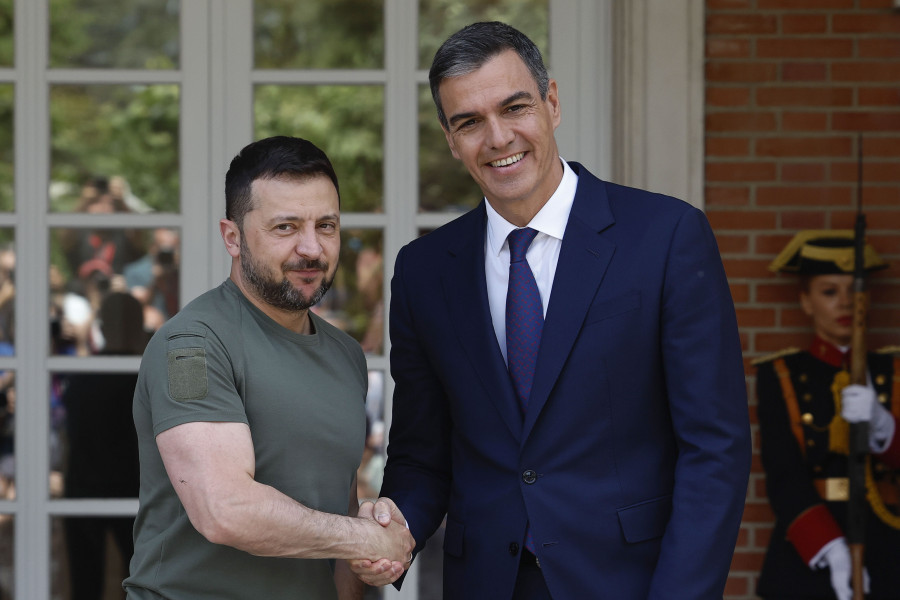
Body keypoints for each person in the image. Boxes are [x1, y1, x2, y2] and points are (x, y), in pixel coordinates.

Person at [353, 21, 751, 599]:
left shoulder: (666, 237)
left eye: (514, 108)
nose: (497, 138)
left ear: (552, 102)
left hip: (630, 584)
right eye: (469, 122)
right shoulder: (424, 271)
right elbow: (422, 454)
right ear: (449, 138)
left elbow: (715, 449)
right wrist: (397, 530)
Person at [124, 136, 414, 600]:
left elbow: (335, 504)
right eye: (285, 227)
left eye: (326, 225)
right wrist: (364, 537)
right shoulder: (191, 345)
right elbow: (225, 510)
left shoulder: (345, 355)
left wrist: (366, 553)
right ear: (232, 237)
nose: (311, 248)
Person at [755, 230, 900, 600]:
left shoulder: (894, 370)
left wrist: (884, 427)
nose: (846, 303)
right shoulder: (781, 374)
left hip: (887, 542)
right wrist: (830, 549)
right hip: (812, 549)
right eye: (829, 292)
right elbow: (783, 474)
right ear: (806, 301)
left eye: (855, 291)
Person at [63, 292, 147, 600]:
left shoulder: (85, 375)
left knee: (87, 580)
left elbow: (70, 431)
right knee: (144, 578)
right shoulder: (146, 373)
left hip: (87, 485)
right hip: (131, 487)